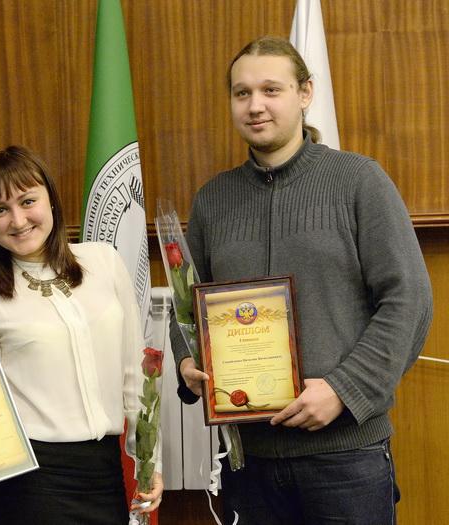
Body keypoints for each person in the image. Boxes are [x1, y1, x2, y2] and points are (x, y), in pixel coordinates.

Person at [169, 35, 433, 524]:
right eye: (241, 93)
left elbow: (409, 302)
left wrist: (342, 389)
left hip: (345, 461)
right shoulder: (212, 200)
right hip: (248, 462)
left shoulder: (359, 181)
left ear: (305, 93)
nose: (255, 105)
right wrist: (187, 358)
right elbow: (186, 308)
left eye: (271, 90)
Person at [0, 145, 163, 524]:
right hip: (29, 485)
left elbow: (133, 374)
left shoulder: (104, 261)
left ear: (51, 201)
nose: (18, 220)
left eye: (28, 201)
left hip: (104, 473)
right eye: (0, 209)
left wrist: (148, 461)